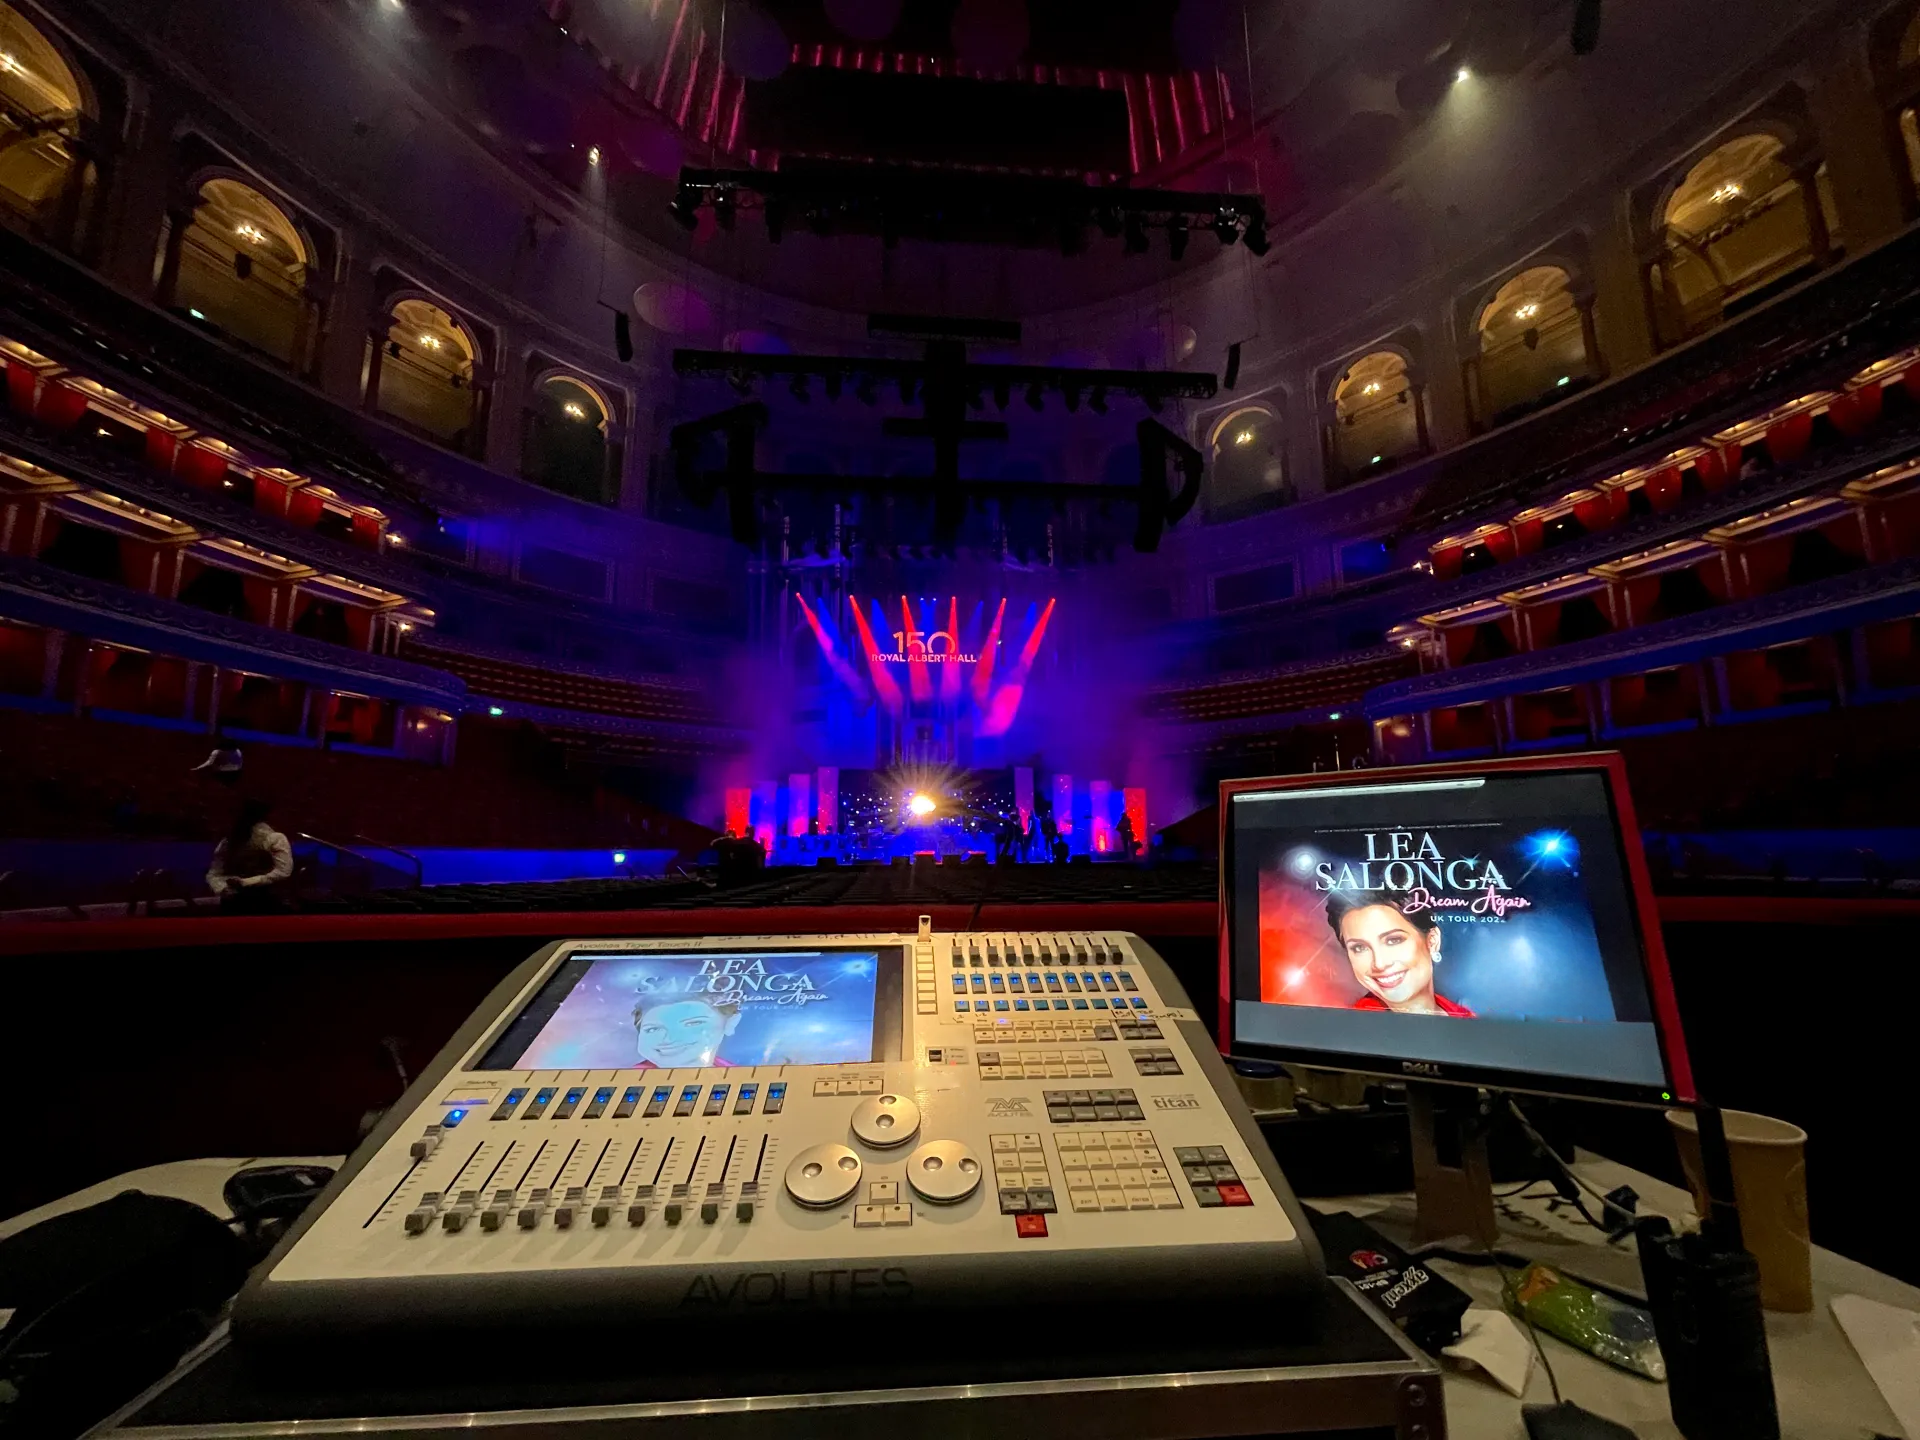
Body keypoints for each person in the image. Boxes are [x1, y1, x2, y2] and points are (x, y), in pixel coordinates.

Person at [1323, 889, 1474, 1017]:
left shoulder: (1466, 1019)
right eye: (1359, 948)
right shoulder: (1354, 1032)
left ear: (1432, 941)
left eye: (1393, 940)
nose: (1379, 964)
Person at [207, 798, 293, 912]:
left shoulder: (274, 838)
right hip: (233, 902)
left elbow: (283, 872)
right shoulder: (228, 842)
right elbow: (214, 873)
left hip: (265, 900)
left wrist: (246, 882)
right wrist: (222, 888)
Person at [630, 994, 741, 1069]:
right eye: (653, 1029)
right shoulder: (628, 1080)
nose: (670, 1038)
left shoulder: (738, 1075)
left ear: (730, 1023)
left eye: (692, 1024)